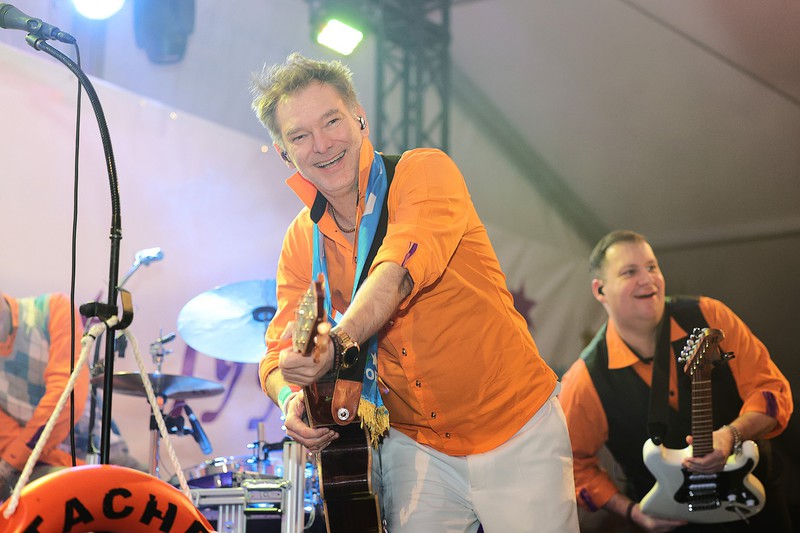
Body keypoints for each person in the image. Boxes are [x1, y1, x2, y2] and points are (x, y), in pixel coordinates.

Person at [251, 53, 579, 532]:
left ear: (359, 117)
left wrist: (337, 346)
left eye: (332, 121)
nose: (322, 144)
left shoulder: (423, 171)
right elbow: (277, 353)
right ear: (284, 153)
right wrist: (289, 399)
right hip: (414, 442)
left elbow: (397, 273)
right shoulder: (302, 239)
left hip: (515, 426)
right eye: (299, 136)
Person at [559, 230, 793, 532]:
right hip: (670, 523)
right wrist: (632, 512)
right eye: (630, 272)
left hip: (754, 507)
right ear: (600, 290)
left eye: (652, 267)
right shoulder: (586, 378)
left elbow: (772, 390)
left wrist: (732, 435)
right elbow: (571, 465)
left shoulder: (709, 316)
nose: (647, 279)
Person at [0, 290, 89, 500]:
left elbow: (66, 399)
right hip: (34, 465)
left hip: (94, 450)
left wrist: (11, 460)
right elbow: (6, 433)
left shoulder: (53, 309)